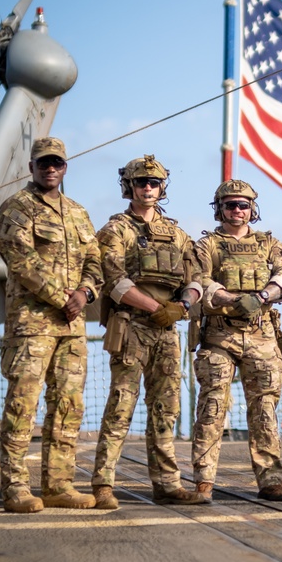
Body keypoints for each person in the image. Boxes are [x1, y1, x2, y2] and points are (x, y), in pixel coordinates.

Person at [90, 155, 208, 509]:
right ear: (128, 186)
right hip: (131, 328)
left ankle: (167, 484)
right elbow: (113, 280)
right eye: (141, 182)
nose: (147, 188)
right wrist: (157, 308)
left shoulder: (177, 234)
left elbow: (197, 277)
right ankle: (103, 483)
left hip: (168, 331)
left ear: (162, 187)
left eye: (154, 183)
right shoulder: (116, 230)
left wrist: (184, 305)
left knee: (166, 408)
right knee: (121, 405)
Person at [0, 137, 103, 513]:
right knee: (22, 405)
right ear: (32, 167)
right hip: (32, 326)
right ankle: (15, 488)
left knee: (68, 406)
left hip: (72, 329)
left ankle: (58, 485)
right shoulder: (16, 209)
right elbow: (22, 262)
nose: (50, 168)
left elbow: (95, 260)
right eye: (43, 163)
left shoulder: (78, 212)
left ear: (65, 167)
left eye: (56, 162)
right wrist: (65, 298)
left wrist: (86, 292)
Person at [191, 180, 282, 502]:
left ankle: (270, 479)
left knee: (264, 409)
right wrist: (229, 298)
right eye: (230, 205)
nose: (237, 210)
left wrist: (262, 295)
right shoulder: (205, 246)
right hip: (220, 335)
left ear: (253, 209)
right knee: (212, 407)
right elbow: (198, 280)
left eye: (244, 205)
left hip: (261, 335)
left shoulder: (269, 244)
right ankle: (204, 480)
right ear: (219, 208)